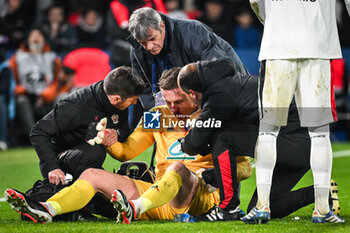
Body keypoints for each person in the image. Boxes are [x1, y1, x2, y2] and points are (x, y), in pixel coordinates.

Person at [4, 67, 252, 224]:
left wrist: (208, 175)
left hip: (198, 196)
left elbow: (244, 167)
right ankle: (47, 208)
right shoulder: (158, 114)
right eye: (167, 101)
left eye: (178, 101)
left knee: (177, 168)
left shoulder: (212, 115)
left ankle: (133, 208)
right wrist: (110, 140)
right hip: (157, 197)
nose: (172, 109)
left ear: (192, 94)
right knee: (91, 174)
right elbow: (126, 152)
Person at [244, 0, 348, 224]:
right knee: (319, 131)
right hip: (318, 47)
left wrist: (274, 22)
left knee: (268, 129)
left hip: (278, 47)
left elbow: (255, 2)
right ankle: (321, 208)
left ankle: (262, 205)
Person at [127, 7, 247, 128]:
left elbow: (218, 73)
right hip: (185, 102)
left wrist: (203, 115)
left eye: (152, 39)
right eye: (143, 42)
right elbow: (145, 90)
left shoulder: (193, 31)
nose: (149, 47)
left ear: (162, 26)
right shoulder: (137, 51)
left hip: (230, 93)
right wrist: (160, 122)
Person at [29, 66, 143, 184]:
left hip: (87, 159)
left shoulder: (119, 100)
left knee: (96, 157)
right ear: (116, 99)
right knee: (96, 151)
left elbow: (125, 130)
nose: (135, 103)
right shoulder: (77, 105)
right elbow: (38, 131)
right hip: (60, 160)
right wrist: (52, 167)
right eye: (133, 99)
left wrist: (117, 133)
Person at [177, 58, 259, 221]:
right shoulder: (226, 82)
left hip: (286, 140)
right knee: (264, 207)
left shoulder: (217, 97)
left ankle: (228, 208)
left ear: (192, 93)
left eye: (186, 95)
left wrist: (185, 143)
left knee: (223, 138)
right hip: (294, 135)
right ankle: (322, 193)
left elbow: (194, 143)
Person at [9, 28, 62, 140]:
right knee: (21, 101)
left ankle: (58, 137)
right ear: (27, 40)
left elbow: (59, 82)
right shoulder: (17, 58)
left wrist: (46, 95)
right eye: (32, 35)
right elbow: (12, 82)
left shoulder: (53, 58)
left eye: (39, 34)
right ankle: (35, 138)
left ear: (44, 39)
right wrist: (28, 93)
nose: (36, 37)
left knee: (62, 98)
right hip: (27, 96)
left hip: (48, 97)